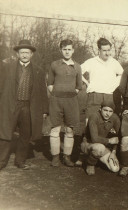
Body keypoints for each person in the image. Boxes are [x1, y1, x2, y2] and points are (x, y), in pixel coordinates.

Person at [0, 40, 48, 170]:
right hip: (11, 104)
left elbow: (43, 91)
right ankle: (1, 161)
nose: (24, 55)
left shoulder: (38, 71)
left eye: (27, 52)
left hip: (28, 106)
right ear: (17, 54)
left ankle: (20, 161)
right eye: (22, 52)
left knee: (25, 135)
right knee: (5, 132)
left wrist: (45, 110)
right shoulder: (7, 68)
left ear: (31, 54)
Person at [47, 39, 83, 167]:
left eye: (69, 49)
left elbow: (79, 86)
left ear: (73, 50)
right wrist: (56, 93)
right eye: (64, 49)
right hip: (56, 100)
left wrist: (71, 94)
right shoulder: (54, 64)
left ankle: (66, 157)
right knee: (55, 129)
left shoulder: (77, 66)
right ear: (61, 50)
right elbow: (50, 83)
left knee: (69, 130)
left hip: (71, 101)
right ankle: (55, 157)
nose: (67, 52)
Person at [81, 38, 124, 119]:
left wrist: (114, 85)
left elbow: (123, 74)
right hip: (95, 95)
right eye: (104, 50)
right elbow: (77, 71)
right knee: (91, 119)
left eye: (109, 50)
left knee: (106, 122)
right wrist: (87, 83)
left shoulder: (114, 62)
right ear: (99, 50)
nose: (107, 53)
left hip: (109, 95)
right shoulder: (91, 61)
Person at [81, 102, 120, 175]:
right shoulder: (94, 116)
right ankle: (90, 163)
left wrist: (113, 152)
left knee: (115, 168)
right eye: (105, 110)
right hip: (89, 144)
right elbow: (94, 139)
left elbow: (119, 137)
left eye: (110, 111)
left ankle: (97, 158)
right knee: (99, 148)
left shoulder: (114, 117)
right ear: (100, 109)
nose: (107, 114)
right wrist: (109, 140)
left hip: (102, 145)